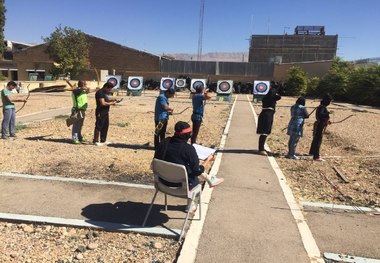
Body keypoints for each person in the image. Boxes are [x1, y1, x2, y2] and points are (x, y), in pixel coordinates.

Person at [154, 121, 224, 191]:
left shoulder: (164, 142)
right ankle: (210, 179)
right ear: (186, 136)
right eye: (189, 134)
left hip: (162, 183)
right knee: (191, 169)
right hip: (181, 187)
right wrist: (208, 160)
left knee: (182, 164)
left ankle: (210, 179)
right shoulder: (188, 149)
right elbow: (197, 171)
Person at [256, 81, 282, 156]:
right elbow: (279, 97)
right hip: (267, 115)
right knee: (264, 132)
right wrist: (278, 90)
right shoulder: (272, 97)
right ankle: (261, 149)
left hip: (266, 114)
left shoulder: (266, 97)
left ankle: (262, 148)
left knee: (265, 132)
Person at [309, 94, 333, 161]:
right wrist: (328, 113)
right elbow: (320, 115)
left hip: (321, 124)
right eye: (329, 101)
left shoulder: (321, 107)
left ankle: (312, 152)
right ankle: (316, 156)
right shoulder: (322, 107)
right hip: (320, 125)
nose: (330, 103)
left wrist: (327, 121)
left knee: (316, 139)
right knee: (318, 140)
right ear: (327, 101)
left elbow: (322, 117)